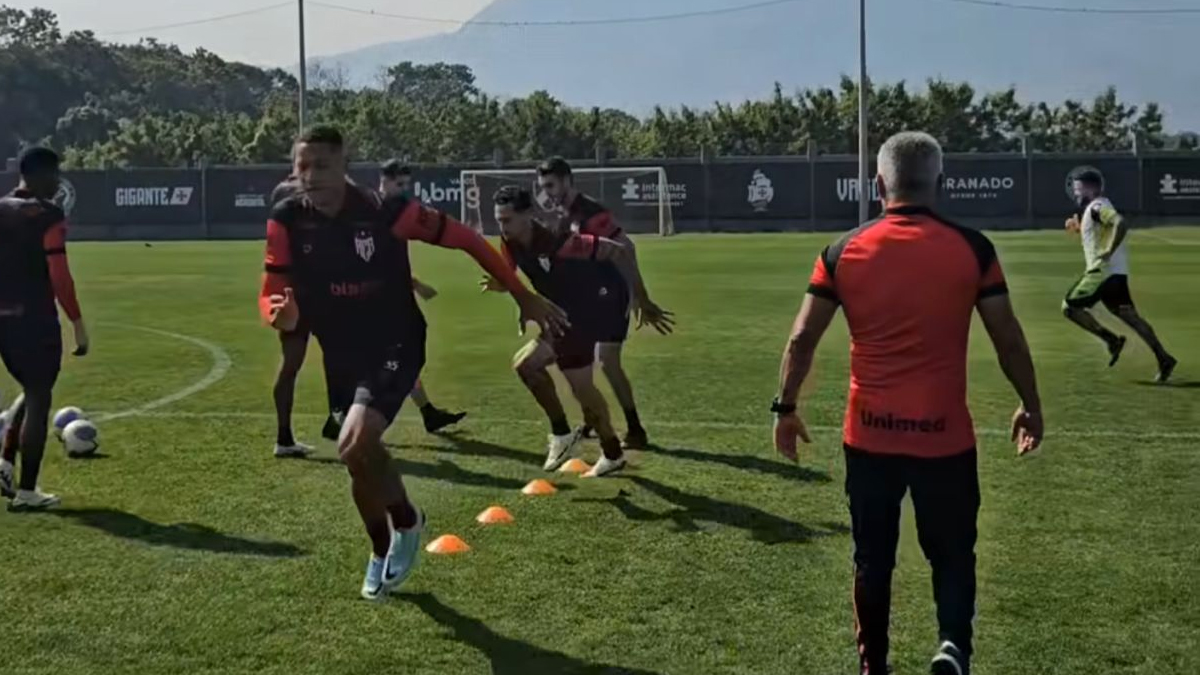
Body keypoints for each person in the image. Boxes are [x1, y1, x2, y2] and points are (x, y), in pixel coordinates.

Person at [772, 132, 1044, 675]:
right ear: (940, 184)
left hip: (869, 436)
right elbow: (1008, 338)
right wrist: (1030, 404)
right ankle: (952, 648)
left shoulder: (841, 251)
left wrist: (785, 408)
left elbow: (801, 339)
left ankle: (875, 666)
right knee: (952, 554)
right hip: (945, 438)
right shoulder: (973, 249)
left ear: (878, 184)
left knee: (873, 559)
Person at [260, 126, 567, 600]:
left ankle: (406, 518)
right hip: (340, 352)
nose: (311, 175)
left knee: (354, 441)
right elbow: (271, 291)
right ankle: (380, 548)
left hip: (394, 340)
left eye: (322, 165)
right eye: (303, 166)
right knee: (357, 463)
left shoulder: (388, 213)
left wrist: (524, 296)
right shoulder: (285, 219)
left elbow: (468, 239)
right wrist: (278, 314)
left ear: (344, 167)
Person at [485, 186, 662, 477]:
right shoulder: (510, 241)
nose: (501, 227)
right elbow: (511, 276)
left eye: (507, 220)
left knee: (529, 366)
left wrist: (640, 296)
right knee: (581, 388)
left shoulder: (559, 242)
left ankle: (563, 434)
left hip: (588, 310)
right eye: (498, 220)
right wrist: (509, 293)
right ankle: (612, 453)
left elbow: (618, 250)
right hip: (564, 315)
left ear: (528, 215)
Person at [536, 157, 672, 450]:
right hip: (585, 296)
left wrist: (640, 296)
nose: (547, 192)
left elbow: (627, 248)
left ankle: (635, 429)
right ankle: (592, 418)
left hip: (611, 293)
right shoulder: (559, 212)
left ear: (568, 180)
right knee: (573, 356)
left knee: (607, 361)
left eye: (551, 185)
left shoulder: (592, 213)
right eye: (543, 187)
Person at [0, 147, 89, 510]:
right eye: (54, 175)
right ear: (39, 175)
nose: (57, 182)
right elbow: (59, 276)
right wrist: (78, 323)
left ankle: (5, 462)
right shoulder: (47, 214)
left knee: (33, 387)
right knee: (39, 397)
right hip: (32, 317)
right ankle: (27, 491)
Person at [379, 159, 468, 433]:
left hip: (396, 298)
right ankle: (356, 417)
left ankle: (428, 413)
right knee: (393, 360)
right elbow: (380, 265)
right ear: (383, 181)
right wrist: (417, 285)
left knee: (401, 357)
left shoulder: (397, 211)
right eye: (398, 184)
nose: (404, 190)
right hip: (380, 301)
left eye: (407, 184)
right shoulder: (378, 214)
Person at [1062, 169, 1177, 382]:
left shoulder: (1098, 206)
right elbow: (1101, 231)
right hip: (1116, 274)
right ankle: (1164, 357)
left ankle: (1111, 340)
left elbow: (1119, 223)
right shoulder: (1094, 209)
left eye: (1079, 188)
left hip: (1102, 273)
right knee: (1131, 318)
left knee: (1070, 307)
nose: (1076, 192)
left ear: (1093, 188)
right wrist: (1079, 228)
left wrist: (1108, 251)